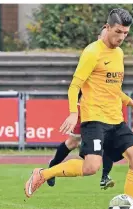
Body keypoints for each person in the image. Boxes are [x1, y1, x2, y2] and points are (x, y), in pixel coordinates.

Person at [24, 9, 133, 202]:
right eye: (118, 31)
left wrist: (130, 102)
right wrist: (72, 113)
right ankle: (43, 174)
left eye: (126, 33)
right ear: (107, 27)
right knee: (91, 167)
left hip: (115, 118)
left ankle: (129, 204)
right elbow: (74, 85)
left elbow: (113, 87)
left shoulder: (118, 53)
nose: (122, 37)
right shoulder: (92, 52)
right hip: (94, 119)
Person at [46, 26, 115, 190]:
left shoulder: (114, 55)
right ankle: (52, 167)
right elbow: (77, 84)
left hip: (104, 109)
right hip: (86, 107)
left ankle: (105, 176)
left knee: (110, 140)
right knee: (72, 141)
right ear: (99, 37)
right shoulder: (91, 54)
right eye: (104, 36)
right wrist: (74, 110)